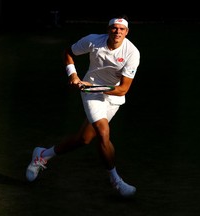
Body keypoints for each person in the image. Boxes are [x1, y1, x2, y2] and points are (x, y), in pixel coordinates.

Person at [25, 14, 140, 198]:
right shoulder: (93, 41)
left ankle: (43, 154)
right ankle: (116, 181)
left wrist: (92, 86)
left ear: (127, 32)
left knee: (84, 139)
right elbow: (68, 52)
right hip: (90, 93)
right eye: (114, 28)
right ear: (108, 29)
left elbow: (122, 89)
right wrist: (73, 75)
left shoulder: (132, 53)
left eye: (121, 29)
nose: (117, 32)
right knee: (103, 133)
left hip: (112, 95)